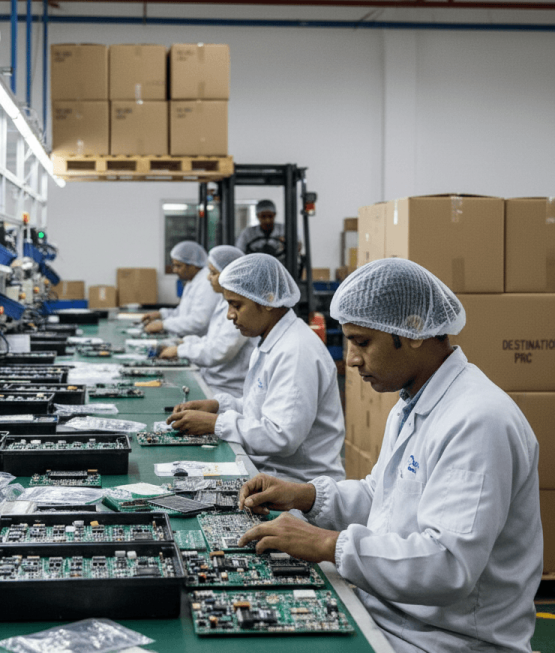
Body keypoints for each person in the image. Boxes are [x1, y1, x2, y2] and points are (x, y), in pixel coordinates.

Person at [237, 258, 542, 653]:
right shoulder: (414, 400)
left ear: (413, 329)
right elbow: (383, 497)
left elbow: (448, 565)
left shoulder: (478, 420)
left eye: (362, 342)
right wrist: (306, 496)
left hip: (447, 640)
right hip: (394, 615)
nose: (351, 360)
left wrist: (328, 544)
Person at [167, 253, 345, 482]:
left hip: (298, 487)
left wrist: (215, 423)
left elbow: (281, 436)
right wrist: (218, 405)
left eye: (236, 305)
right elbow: (262, 407)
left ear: (268, 300)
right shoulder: (272, 340)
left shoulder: (296, 351)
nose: (230, 315)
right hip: (272, 473)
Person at [158, 245, 256, 398]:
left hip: (227, 390)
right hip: (213, 380)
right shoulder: (225, 301)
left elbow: (220, 350)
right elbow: (212, 340)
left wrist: (180, 350)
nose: (207, 277)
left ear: (230, 275)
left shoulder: (241, 306)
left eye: (213, 273)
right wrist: (184, 342)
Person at [141, 240, 218, 337]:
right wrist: (161, 314)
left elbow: (198, 321)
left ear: (193, 265)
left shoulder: (207, 284)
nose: (174, 270)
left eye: (178, 266)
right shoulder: (192, 281)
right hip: (188, 340)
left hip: (198, 341)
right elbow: (182, 312)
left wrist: (163, 325)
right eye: (174, 265)